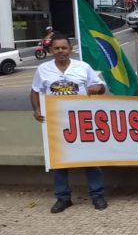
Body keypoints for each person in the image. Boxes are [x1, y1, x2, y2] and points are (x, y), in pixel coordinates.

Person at [30, 33, 108, 213]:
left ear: (70, 49)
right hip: (56, 122)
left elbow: (101, 87)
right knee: (59, 161)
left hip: (83, 122)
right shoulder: (43, 69)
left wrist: (98, 88)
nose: (60, 51)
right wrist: (36, 109)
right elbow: (35, 91)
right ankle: (63, 198)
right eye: (56, 48)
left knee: (91, 159)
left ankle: (97, 195)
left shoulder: (83, 67)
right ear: (51, 50)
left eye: (64, 47)